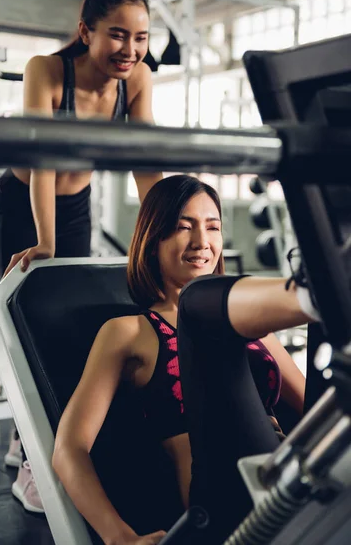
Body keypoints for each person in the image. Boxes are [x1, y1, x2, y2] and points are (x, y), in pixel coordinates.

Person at [52, 174, 312, 545]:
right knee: (202, 310)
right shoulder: (128, 331)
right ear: (153, 239)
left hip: (287, 475)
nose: (202, 243)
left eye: (213, 227)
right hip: (223, 501)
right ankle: (314, 291)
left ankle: (317, 293)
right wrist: (119, 537)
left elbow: (315, 406)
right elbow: (69, 449)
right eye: (182, 227)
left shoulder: (255, 328)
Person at [0, 0, 162, 514]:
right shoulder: (47, 70)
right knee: (25, 328)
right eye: (117, 35)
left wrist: (159, 235)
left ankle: (61, 447)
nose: (130, 50)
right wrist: (45, 241)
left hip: (76, 208)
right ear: (85, 31)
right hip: (21, 204)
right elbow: (43, 161)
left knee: (74, 332)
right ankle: (27, 461)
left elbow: (146, 160)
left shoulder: (136, 80)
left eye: (141, 37)